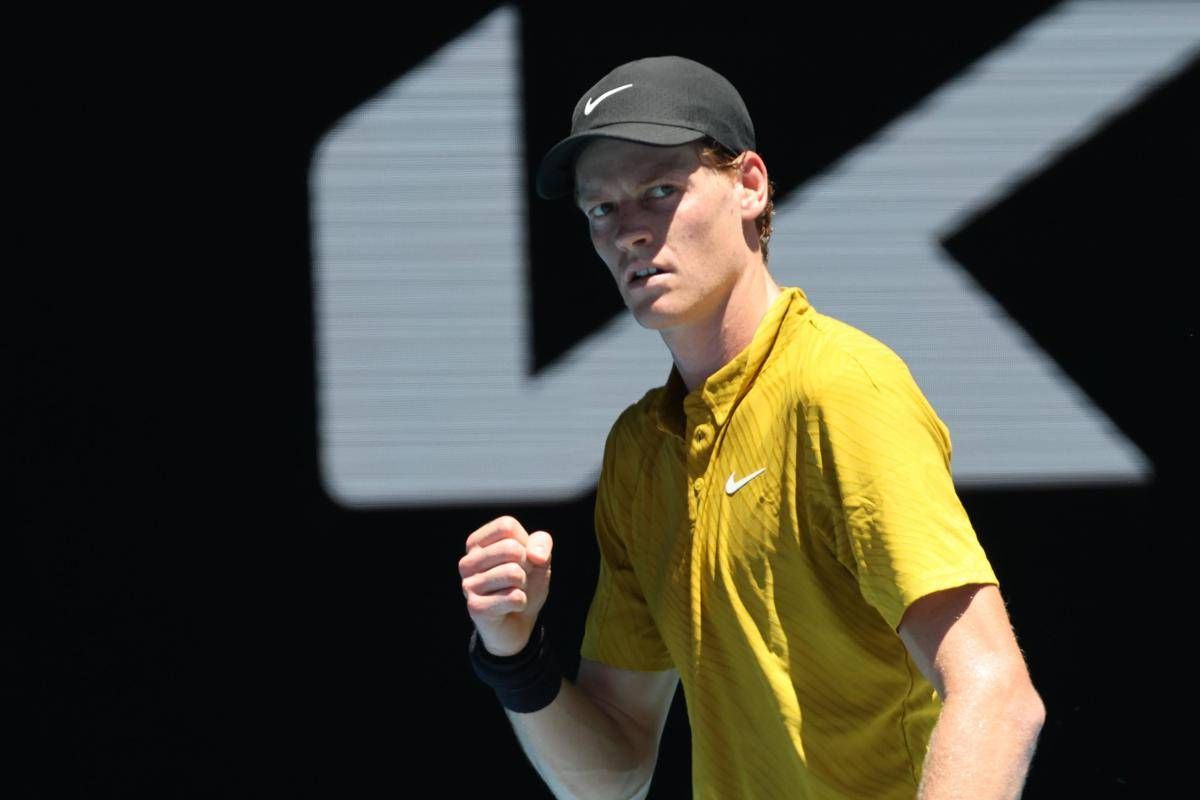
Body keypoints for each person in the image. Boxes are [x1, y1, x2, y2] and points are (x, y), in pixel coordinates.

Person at [458, 55, 1045, 799]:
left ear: (750, 186)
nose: (628, 231)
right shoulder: (639, 451)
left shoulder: (840, 388)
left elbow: (996, 693)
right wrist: (514, 659)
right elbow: (617, 773)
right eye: (600, 208)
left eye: (660, 191)